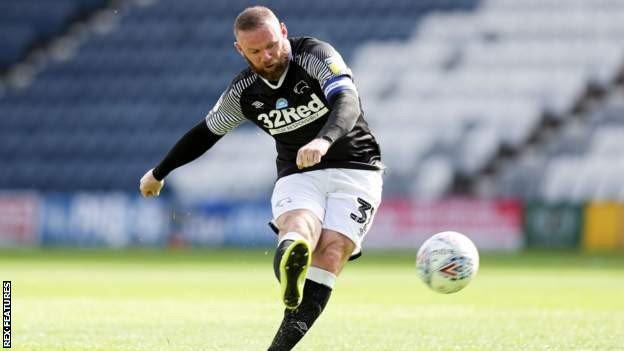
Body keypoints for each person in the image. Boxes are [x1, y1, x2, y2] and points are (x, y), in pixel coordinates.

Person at [139, 6, 383, 350]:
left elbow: (347, 100)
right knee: (300, 227)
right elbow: (207, 132)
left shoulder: (314, 55)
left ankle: (282, 318)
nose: (268, 56)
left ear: (283, 30)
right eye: (255, 51)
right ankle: (292, 254)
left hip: (357, 167)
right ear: (240, 50)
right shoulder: (244, 91)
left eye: (272, 45)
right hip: (299, 172)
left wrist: (323, 140)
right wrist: (158, 172)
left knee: (331, 253)